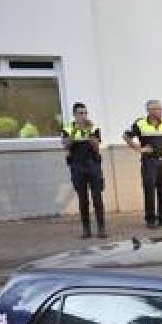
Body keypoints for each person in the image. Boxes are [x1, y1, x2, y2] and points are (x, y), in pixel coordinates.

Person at [124, 100, 162, 228]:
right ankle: (150, 220)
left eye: (161, 108)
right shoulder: (140, 123)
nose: (161, 111)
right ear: (150, 111)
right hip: (148, 161)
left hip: (161, 161)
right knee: (149, 190)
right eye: (158, 109)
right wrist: (139, 149)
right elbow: (126, 136)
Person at [62, 102, 106, 239]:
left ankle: (101, 228)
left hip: (93, 164)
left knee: (97, 197)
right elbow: (66, 145)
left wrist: (90, 131)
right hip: (77, 166)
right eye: (81, 113)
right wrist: (76, 131)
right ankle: (86, 230)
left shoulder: (94, 127)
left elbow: (96, 146)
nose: (84, 116)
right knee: (83, 199)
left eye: (85, 113)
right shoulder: (68, 128)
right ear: (74, 114)